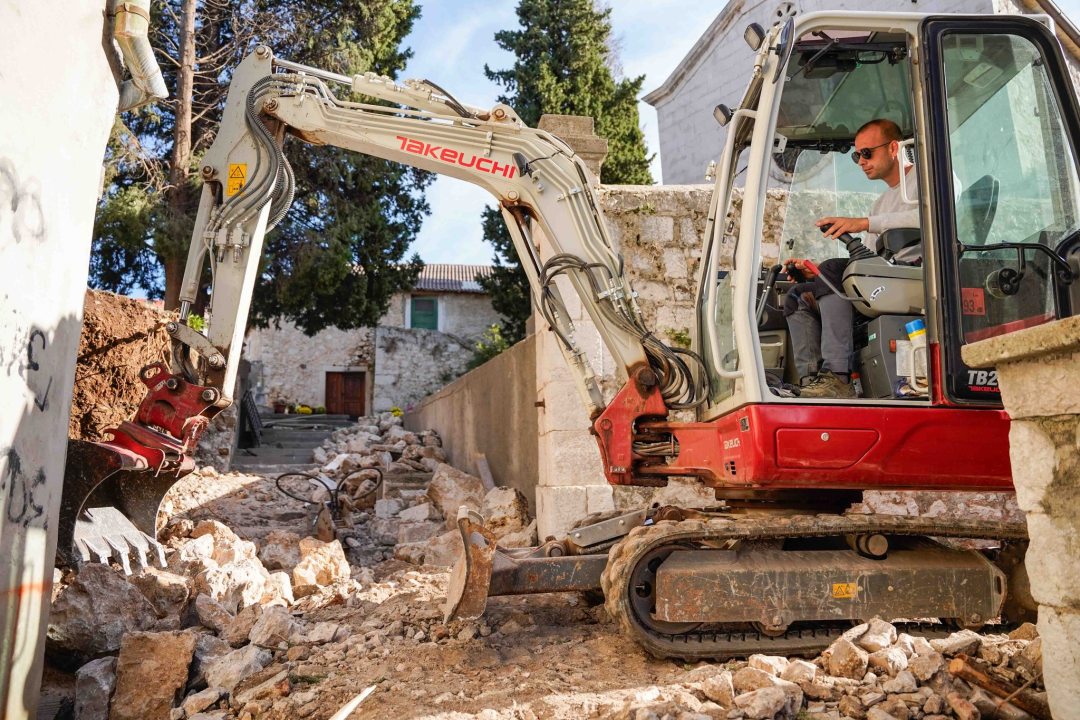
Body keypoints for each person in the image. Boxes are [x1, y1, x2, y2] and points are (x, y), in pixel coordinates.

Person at [783, 118, 920, 399]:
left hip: (914, 276)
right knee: (798, 295)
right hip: (886, 279)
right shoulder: (882, 202)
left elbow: (932, 218)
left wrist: (862, 223)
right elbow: (866, 259)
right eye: (857, 155)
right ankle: (814, 381)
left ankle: (838, 376)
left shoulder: (930, 179)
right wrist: (816, 273)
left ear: (894, 147)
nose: (860, 161)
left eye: (867, 153)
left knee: (834, 268)